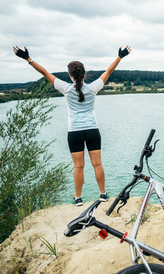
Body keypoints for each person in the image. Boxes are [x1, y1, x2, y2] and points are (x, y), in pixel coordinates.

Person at [13, 45, 131, 206]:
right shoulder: (93, 87)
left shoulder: (66, 89)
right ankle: (103, 194)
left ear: (70, 75)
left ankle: (78, 198)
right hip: (92, 130)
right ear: (84, 74)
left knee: (78, 167)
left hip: (74, 132)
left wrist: (28, 58)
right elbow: (108, 72)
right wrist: (120, 57)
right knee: (97, 163)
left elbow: (45, 73)